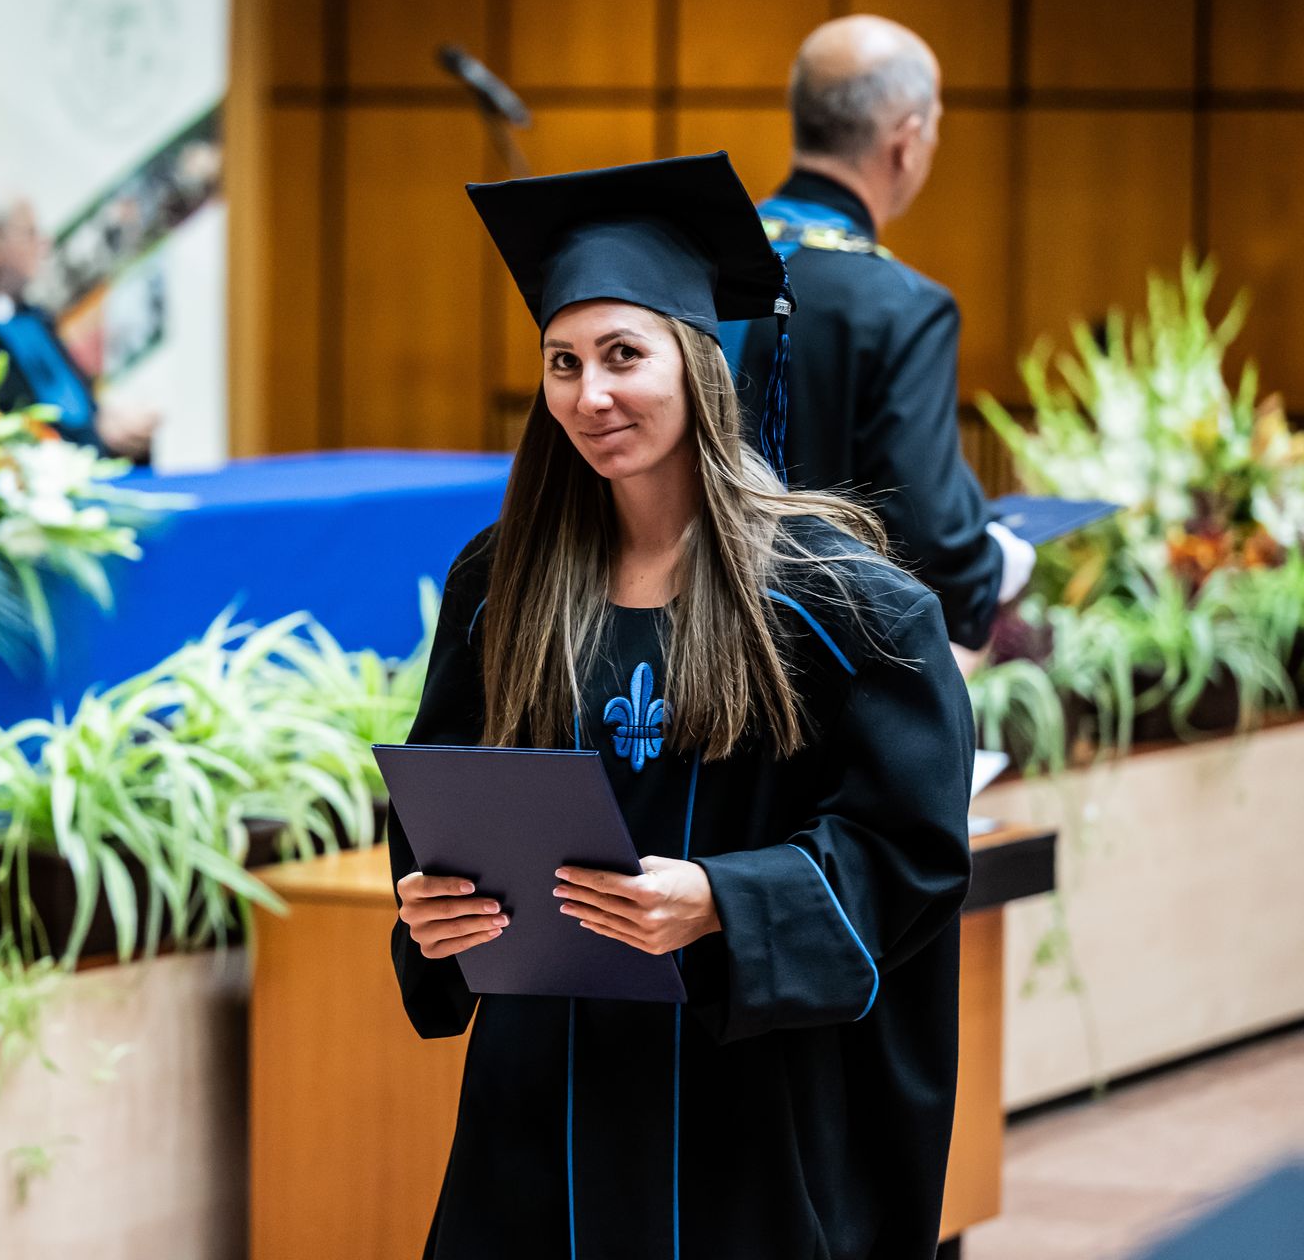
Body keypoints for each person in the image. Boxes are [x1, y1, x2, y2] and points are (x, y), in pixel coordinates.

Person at [390, 154, 974, 1258]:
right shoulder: (501, 585)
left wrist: (724, 901)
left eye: (624, 354)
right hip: (543, 1096)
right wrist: (434, 912)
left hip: (746, 1104)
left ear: (699, 364)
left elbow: (910, 849)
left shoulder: (839, 603)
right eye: (563, 362)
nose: (591, 395)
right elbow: (445, 812)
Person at [724, 15, 1032, 657]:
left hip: (669, 649)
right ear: (907, 141)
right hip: (817, 671)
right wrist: (996, 566)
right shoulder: (900, 307)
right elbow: (935, 544)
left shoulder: (693, 264)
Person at [0, 159, 157, 459]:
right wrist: (99, 440)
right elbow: (6, 437)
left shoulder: (26, 311)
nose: (44, 244)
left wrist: (111, 422)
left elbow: (78, 405)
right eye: (30, 233)